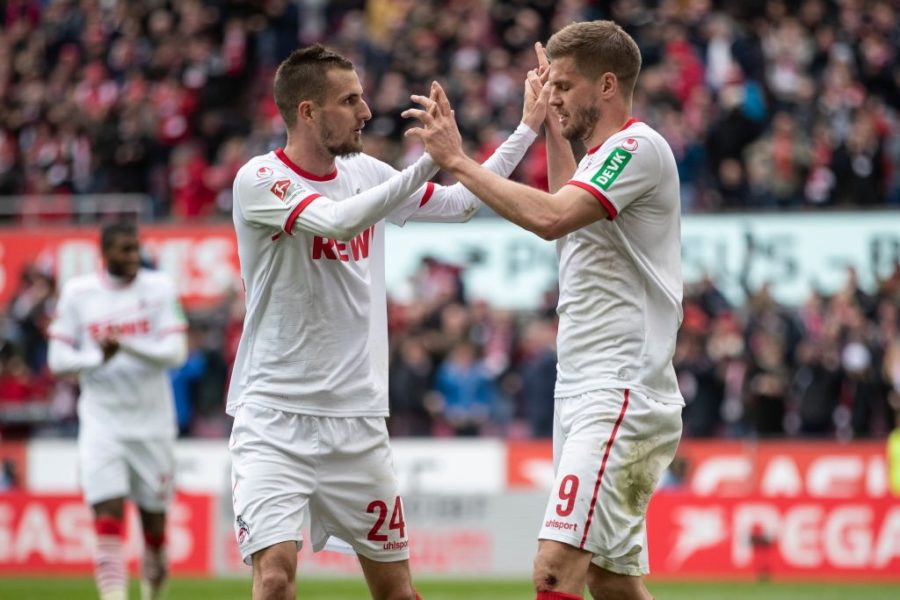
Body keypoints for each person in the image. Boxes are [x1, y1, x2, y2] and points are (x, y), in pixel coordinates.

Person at [227, 43, 544, 600]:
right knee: (274, 578)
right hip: (273, 419)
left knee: (397, 591)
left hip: (357, 422)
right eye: (350, 100)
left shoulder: (366, 172)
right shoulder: (259, 179)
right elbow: (337, 223)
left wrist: (524, 128)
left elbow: (460, 205)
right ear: (307, 111)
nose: (367, 111)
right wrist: (429, 158)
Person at [403, 21, 684, 600]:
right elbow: (564, 210)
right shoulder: (601, 160)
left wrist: (457, 160)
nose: (552, 94)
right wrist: (552, 127)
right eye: (549, 84)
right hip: (585, 389)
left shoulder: (637, 146)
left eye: (564, 85)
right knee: (612, 583)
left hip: (620, 390)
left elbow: (551, 216)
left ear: (607, 85)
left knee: (553, 572)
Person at [47, 221, 188, 600]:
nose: (133, 257)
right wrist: (98, 357)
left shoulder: (159, 288)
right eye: (125, 250)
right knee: (107, 514)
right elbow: (57, 360)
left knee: (155, 530)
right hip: (102, 424)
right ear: (104, 252)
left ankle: (152, 595)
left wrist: (124, 345)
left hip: (153, 426)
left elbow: (175, 353)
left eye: (135, 249)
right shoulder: (79, 294)